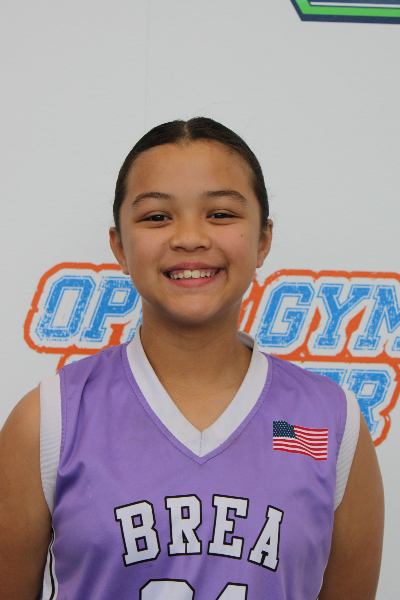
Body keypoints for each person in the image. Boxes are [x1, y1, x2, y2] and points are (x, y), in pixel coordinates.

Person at [0, 118, 384, 600]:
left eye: (220, 214)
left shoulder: (332, 423)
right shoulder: (49, 421)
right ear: (119, 246)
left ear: (263, 239)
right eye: (157, 217)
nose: (189, 237)